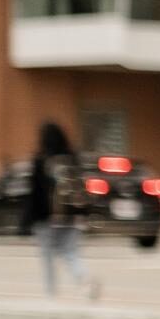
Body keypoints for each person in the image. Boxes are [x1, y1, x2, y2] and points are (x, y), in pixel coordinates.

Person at [26, 122, 101, 301]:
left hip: (47, 218)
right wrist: (84, 212)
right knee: (71, 252)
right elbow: (82, 187)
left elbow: (35, 193)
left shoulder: (41, 159)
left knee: (47, 257)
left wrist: (29, 219)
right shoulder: (73, 157)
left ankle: (50, 295)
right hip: (71, 216)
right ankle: (83, 277)